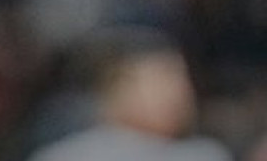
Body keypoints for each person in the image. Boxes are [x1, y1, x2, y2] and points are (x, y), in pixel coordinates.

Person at [27, 27, 233, 161]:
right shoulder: (68, 157)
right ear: (113, 90)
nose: (177, 91)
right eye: (159, 79)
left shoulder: (205, 154)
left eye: (180, 77)